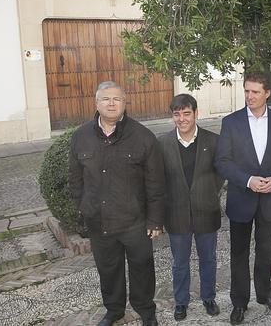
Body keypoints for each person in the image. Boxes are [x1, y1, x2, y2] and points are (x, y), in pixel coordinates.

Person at [69, 81, 164, 326]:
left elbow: (155, 183)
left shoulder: (143, 137)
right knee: (108, 271)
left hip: (135, 222)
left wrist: (155, 220)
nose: (111, 104)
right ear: (96, 102)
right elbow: (75, 179)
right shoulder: (80, 137)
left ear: (125, 102)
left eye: (117, 99)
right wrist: (83, 207)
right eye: (106, 99)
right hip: (99, 223)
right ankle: (114, 311)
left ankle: (146, 310)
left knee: (142, 268)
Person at [215, 72, 271, 325]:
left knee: (265, 251)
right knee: (239, 254)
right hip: (241, 198)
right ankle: (239, 303)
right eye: (246, 91)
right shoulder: (231, 122)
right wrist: (248, 180)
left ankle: (265, 295)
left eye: (255, 92)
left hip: (269, 201)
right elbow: (222, 161)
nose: (249, 96)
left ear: (267, 93)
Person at [158, 94, 223, 321]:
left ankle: (208, 297)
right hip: (176, 214)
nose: (182, 119)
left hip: (206, 211)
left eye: (187, 113)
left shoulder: (213, 141)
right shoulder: (162, 143)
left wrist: (205, 193)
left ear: (196, 113)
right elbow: (160, 180)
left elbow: (220, 175)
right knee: (179, 263)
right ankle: (181, 302)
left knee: (209, 259)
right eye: (177, 114)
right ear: (172, 116)